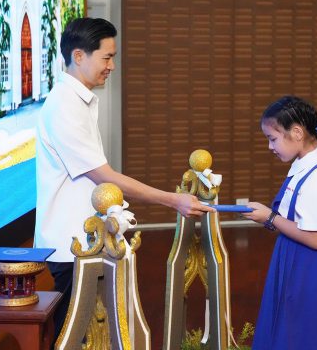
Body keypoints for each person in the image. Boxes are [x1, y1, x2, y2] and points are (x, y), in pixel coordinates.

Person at [34, 17, 213, 342]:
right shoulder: (64, 106)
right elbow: (103, 177)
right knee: (74, 339)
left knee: (93, 336)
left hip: (87, 241)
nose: (112, 66)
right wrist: (173, 200)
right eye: (106, 57)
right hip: (73, 243)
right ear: (78, 56)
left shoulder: (79, 101)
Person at [242, 96, 317, 350]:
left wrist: (269, 217)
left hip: (316, 263)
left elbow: (316, 238)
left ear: (297, 132)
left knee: (310, 331)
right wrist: (268, 217)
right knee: (291, 327)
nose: (270, 146)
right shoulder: (303, 164)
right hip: (299, 255)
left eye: (273, 138)